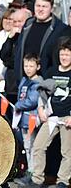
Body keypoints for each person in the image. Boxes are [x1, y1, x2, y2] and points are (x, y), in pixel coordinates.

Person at [26, 38, 71, 188]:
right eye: (62, 54)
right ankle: (37, 179)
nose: (64, 57)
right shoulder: (52, 71)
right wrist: (40, 109)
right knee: (38, 146)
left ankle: (63, 181)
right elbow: (43, 93)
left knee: (67, 151)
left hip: (67, 118)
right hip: (51, 117)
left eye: (67, 54)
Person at [12, 0, 70, 79]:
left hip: (46, 81)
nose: (40, 9)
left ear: (51, 8)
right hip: (25, 80)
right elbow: (18, 50)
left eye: (44, 6)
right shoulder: (28, 24)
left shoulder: (60, 29)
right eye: (38, 6)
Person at [14, 53, 43, 183]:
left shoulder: (37, 82)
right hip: (22, 120)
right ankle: (29, 169)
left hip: (32, 119)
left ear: (38, 67)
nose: (28, 68)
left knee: (32, 146)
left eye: (31, 66)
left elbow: (32, 101)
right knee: (26, 146)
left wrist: (18, 105)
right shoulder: (24, 80)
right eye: (26, 65)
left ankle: (33, 172)